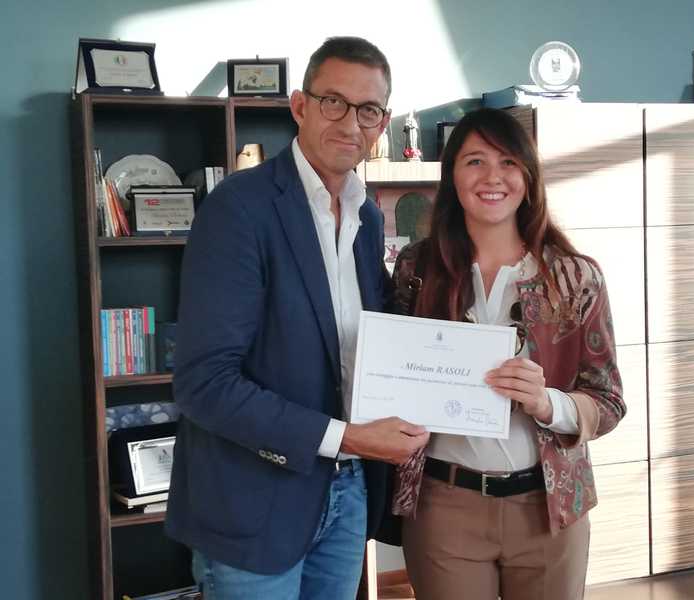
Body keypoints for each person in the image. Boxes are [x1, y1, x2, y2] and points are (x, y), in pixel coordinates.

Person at [165, 36, 430, 600]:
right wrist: (347, 438)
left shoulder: (366, 218)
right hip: (253, 503)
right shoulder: (239, 209)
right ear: (300, 105)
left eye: (368, 110)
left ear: (383, 123)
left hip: (348, 492)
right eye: (333, 102)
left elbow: (373, 340)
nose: (350, 124)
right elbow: (204, 384)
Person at [388, 108, 626, 600]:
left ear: (528, 176)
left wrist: (548, 403)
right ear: (452, 176)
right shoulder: (417, 269)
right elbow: (391, 376)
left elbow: (608, 401)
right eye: (474, 161)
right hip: (444, 505)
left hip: (549, 507)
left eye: (508, 162)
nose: (492, 177)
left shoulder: (575, 277)